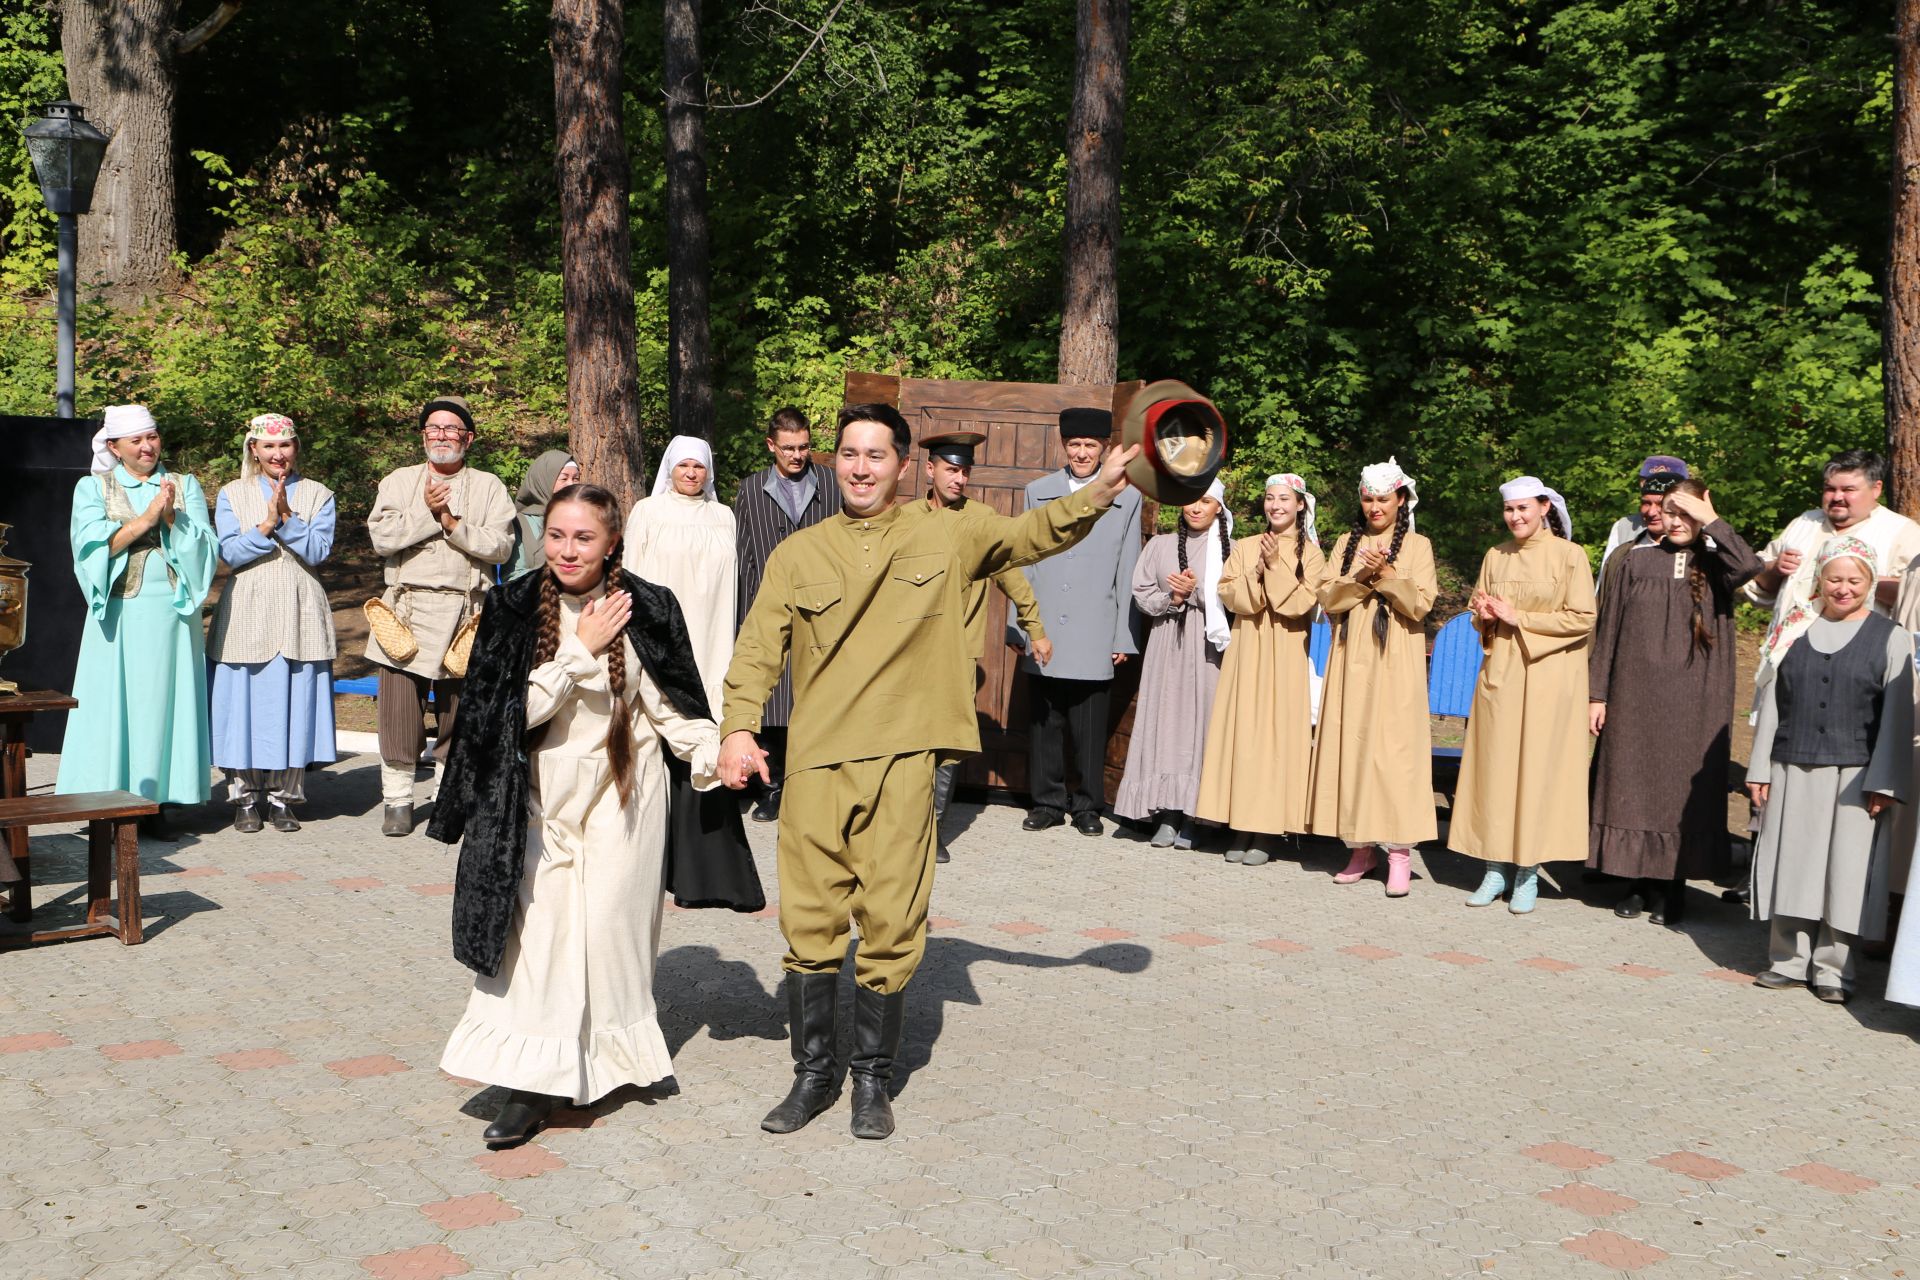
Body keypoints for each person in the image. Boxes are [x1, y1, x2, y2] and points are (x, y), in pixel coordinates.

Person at [717, 403, 1139, 1140]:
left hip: (905, 762)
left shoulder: (952, 532)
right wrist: (738, 728)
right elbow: (757, 649)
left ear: (903, 465)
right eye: (848, 453)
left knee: (892, 920)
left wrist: (1096, 493)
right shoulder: (800, 554)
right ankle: (813, 1075)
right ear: (832, 460)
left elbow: (1028, 537)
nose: (859, 467)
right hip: (816, 762)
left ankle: (871, 1080)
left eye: (876, 454)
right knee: (809, 924)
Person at [433, 484, 728, 1147]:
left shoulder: (647, 607)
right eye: (557, 536)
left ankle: (608, 1062)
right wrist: (579, 651)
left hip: (626, 799)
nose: (567, 550)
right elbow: (499, 722)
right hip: (537, 803)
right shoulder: (512, 606)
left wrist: (716, 755)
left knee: (607, 936)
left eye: (584, 538)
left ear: (612, 542)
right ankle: (532, 1084)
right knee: (537, 944)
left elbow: (674, 710)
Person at [1746, 536, 1913, 1004]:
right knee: (1793, 864)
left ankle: (1834, 969)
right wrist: (1760, 769)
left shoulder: (1890, 636)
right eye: (1834, 579)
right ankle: (1787, 960)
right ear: (1819, 579)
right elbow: (1772, 706)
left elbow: (1897, 716)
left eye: (1855, 579)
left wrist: (1885, 782)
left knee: (1845, 872)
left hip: (1857, 776)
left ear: (1870, 580)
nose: (1844, 589)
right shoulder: (1794, 629)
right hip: (1792, 765)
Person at [1587, 479, 1761, 923]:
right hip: (1633, 694)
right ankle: (1638, 883)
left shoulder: (1718, 564)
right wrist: (1597, 694)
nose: (1676, 522)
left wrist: (1711, 520)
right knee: (1633, 787)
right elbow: (1607, 630)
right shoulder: (1634, 560)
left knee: (1681, 792)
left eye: (1686, 514)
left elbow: (1750, 566)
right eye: (1670, 513)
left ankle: (1673, 888)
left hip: (1694, 701)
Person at [57, 404, 217, 840]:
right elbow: (91, 547)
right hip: (121, 614)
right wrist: (146, 519)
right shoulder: (93, 487)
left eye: (153, 437)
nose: (148, 447)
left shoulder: (184, 485)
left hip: (171, 613)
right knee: (115, 703)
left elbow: (204, 548)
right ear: (114, 446)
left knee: (163, 703)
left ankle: (159, 799)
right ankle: (106, 799)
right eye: (136, 440)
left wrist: (170, 519)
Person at [364, 396, 516, 836]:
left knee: (458, 711)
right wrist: (430, 515)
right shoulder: (399, 481)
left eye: (452, 430)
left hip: (466, 612)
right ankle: (397, 799)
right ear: (423, 435)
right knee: (398, 708)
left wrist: (452, 524)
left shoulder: (488, 486)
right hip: (406, 608)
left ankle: (449, 797)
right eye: (434, 428)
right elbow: (382, 537)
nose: (442, 436)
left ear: (468, 438)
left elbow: (501, 545)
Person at [1447, 477, 1596, 913]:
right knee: (1496, 770)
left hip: (1550, 679)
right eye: (1509, 510)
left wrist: (1519, 617)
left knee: (1537, 773)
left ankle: (1529, 870)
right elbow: (1481, 615)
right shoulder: (1496, 555)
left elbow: (1583, 618)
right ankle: (1495, 868)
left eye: (1524, 509)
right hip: (1503, 677)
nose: (1515, 517)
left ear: (1545, 507)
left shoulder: (1570, 557)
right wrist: (1484, 615)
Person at [1307, 458, 1439, 896]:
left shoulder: (1418, 546)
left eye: (1383, 498)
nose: (1375, 506)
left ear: (1401, 499)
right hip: (1351, 660)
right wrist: (1363, 574)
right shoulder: (1347, 542)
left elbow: (1420, 605)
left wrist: (1388, 574)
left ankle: (1399, 853)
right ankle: (1360, 847)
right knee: (1355, 746)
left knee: (1394, 752)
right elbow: (1328, 596)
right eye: (1368, 498)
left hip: (1394, 659)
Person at [919, 431, 1051, 864]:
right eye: (952, 470)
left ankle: (933, 831)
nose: (959, 479)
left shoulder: (980, 519)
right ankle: (903, 829)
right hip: (907, 653)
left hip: (957, 655)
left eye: (965, 471)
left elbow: (1013, 576)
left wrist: (1035, 628)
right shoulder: (905, 519)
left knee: (950, 743)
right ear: (930, 468)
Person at [1013, 408, 1145, 836]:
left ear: (1104, 449)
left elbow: (1128, 568)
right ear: (1064, 445)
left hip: (1095, 622)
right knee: (1045, 718)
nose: (1082, 453)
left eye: (1090, 445)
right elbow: (1024, 558)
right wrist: (1020, 625)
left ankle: (1088, 805)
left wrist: (1124, 632)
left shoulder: (1127, 496)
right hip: (1045, 621)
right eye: (1075, 445)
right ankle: (1047, 802)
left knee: (1089, 722)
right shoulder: (1039, 491)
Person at [206, 413, 339, 833]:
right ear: (254, 450)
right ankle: (243, 796)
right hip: (247, 605)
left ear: (296, 447)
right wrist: (266, 524)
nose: (277, 454)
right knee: (243, 702)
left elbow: (317, 551)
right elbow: (230, 553)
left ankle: (285, 798)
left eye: (285, 446)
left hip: (300, 606)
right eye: (268, 447)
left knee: (295, 702)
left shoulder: (319, 494)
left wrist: (289, 519)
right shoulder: (232, 493)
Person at [1195, 474, 1326, 864]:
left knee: (1277, 735)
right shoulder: (1246, 545)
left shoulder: (1313, 553)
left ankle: (1268, 830)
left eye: (1284, 499)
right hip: (1247, 646)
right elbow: (1229, 592)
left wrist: (1273, 566)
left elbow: (1300, 603)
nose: (1275, 506)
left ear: (1300, 505)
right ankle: (1240, 823)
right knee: (1245, 731)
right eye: (1269, 499)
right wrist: (1257, 571)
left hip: (1285, 648)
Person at [1114, 481, 1232, 849]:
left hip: (1209, 651)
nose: (1197, 507)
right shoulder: (1161, 545)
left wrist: (1197, 594)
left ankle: (1197, 816)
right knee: (1166, 723)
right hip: (1167, 645)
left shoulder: (1231, 552)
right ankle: (1166, 812)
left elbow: (1239, 600)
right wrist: (1174, 597)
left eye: (1206, 501)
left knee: (1203, 723)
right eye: (1191, 500)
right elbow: (1142, 594)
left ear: (1218, 508)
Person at [733, 407, 838, 822]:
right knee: (773, 702)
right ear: (771, 446)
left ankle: (809, 784)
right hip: (770, 607)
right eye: (789, 448)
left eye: (805, 447)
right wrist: (745, 618)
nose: (798, 455)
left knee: (814, 699)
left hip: (822, 609)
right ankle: (773, 786)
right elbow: (745, 558)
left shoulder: (830, 483)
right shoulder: (751, 489)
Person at [1744, 450, 1920, 644]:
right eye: (1830, 488)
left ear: (1876, 489)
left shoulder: (1902, 532)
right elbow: (1759, 583)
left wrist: (1861, 581)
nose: (1837, 497)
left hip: (1860, 656)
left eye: (1848, 490)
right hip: (1788, 651)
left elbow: (1913, 601)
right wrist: (1775, 569)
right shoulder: (1805, 522)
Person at [624, 435, 737, 709]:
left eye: (698, 466)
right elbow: (629, 572)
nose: (690, 473)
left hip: (713, 628)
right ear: (670, 468)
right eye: (683, 465)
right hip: (663, 626)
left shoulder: (724, 516)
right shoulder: (648, 511)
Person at [1596, 455, 1686, 586]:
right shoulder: (1624, 528)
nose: (1652, 512)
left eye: (1661, 504)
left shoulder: (1700, 532)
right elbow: (1605, 583)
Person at [507, 450, 579, 579]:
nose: (571, 485)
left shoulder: (586, 519)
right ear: (544, 481)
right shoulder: (521, 524)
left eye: (576, 478)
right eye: (564, 478)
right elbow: (513, 574)